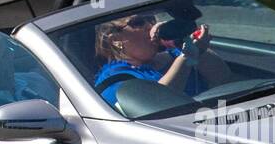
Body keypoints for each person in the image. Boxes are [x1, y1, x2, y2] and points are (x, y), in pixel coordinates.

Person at [93, 12, 229, 106]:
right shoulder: (114, 79)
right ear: (116, 40)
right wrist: (188, 55)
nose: (149, 26)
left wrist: (180, 39)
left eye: (151, 19)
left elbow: (223, 78)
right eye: (138, 23)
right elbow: (158, 101)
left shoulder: (174, 53)